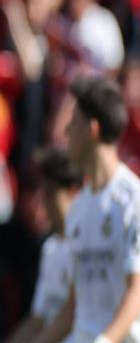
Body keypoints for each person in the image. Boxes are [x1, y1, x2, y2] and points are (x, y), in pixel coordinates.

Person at [33, 76, 140, 343]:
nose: (67, 131)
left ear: (92, 129)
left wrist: (104, 341)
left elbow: (136, 292)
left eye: (74, 122)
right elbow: (73, 304)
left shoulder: (135, 202)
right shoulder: (78, 209)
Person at [6, 147, 82, 343]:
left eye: (50, 193)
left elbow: (73, 316)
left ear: (73, 192)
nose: (44, 203)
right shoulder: (51, 249)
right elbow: (37, 320)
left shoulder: (88, 249)